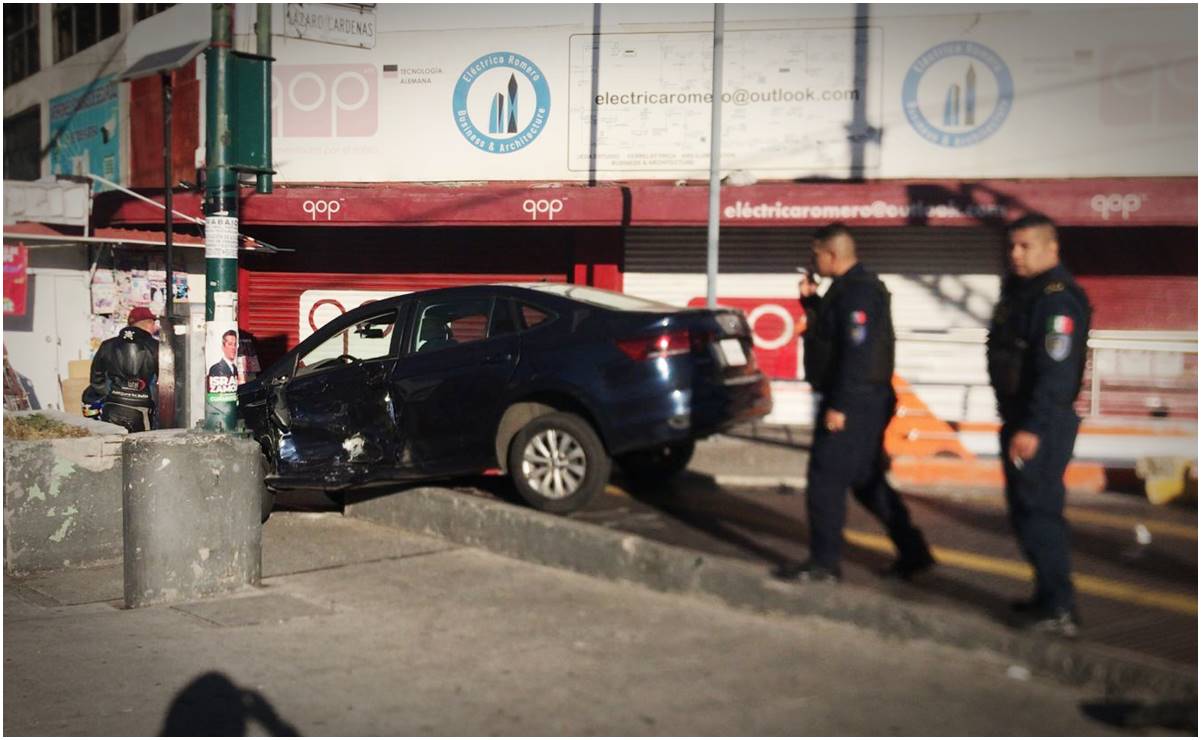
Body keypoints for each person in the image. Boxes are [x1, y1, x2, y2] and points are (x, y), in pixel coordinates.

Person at [777, 222, 934, 583]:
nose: (812, 260)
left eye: (815, 253)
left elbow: (858, 354)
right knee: (866, 480)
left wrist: (840, 405)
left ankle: (824, 564)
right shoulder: (846, 289)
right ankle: (914, 552)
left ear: (831, 254)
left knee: (825, 479)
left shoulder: (858, 292)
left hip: (855, 400)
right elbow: (833, 337)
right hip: (861, 398)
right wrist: (811, 301)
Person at [987, 213, 1091, 637]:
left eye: (1025, 246)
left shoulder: (1056, 300)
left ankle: (1061, 608)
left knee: (1040, 513)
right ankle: (1047, 597)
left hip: (1041, 423)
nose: (1015, 254)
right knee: (1025, 512)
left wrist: (1032, 427)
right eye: (1011, 246)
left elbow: (1057, 373)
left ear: (1052, 248)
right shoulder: (1024, 293)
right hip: (1022, 418)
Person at [82, 306, 159, 432]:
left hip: (112, 406)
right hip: (142, 408)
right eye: (153, 323)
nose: (154, 327)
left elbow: (96, 378)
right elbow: (166, 382)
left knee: (113, 447)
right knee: (141, 449)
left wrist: (110, 393)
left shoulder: (107, 345)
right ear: (149, 323)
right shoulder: (156, 347)